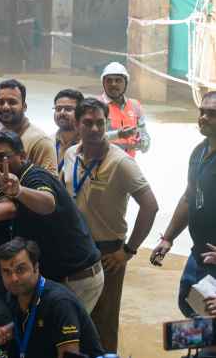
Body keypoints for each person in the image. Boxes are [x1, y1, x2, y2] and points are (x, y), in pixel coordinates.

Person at [60, 98, 158, 352]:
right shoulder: (71, 154)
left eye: (100, 123)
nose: (94, 129)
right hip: (73, 248)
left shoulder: (122, 162)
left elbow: (150, 206)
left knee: (103, 322)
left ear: (107, 124)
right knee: (72, 317)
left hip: (107, 253)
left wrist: (128, 250)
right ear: (77, 124)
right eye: (88, 123)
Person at [0, 131, 103, 311]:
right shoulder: (4, 182)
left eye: (3, 157)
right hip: (58, 277)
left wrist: (19, 191)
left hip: (76, 279)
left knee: (65, 336)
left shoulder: (34, 177)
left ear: (22, 156)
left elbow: (48, 203)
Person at [0, 238, 105, 358]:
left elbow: (69, 354)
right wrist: (2, 335)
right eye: (7, 272)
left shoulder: (59, 303)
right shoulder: (13, 296)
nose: (14, 278)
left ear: (36, 267)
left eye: (20, 270)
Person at [152, 91, 216, 281]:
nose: (203, 118)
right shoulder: (199, 152)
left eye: (212, 114)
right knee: (188, 302)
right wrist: (167, 238)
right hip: (200, 252)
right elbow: (190, 197)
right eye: (202, 112)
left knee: (205, 309)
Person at [0, 79, 57, 173]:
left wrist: (18, 188)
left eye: (12, 102)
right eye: (0, 102)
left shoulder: (41, 142)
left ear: (24, 107)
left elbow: (50, 185)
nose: (5, 107)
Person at [97, 61, 151, 158]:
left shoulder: (135, 106)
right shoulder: (95, 106)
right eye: (109, 80)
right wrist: (120, 138)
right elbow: (92, 139)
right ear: (103, 83)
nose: (113, 84)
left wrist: (142, 143)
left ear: (125, 83)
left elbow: (145, 136)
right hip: (103, 164)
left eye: (118, 80)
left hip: (129, 164)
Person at [52, 88, 83, 171]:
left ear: (81, 113)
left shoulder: (88, 144)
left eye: (68, 109)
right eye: (58, 109)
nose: (62, 113)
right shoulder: (49, 141)